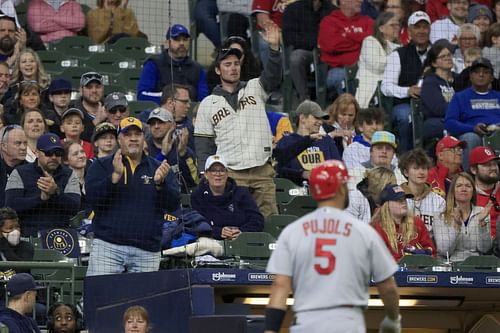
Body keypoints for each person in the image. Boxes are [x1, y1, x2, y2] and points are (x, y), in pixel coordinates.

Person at [264, 160, 401, 333]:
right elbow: (388, 287)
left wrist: (270, 330)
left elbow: (280, 286)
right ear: (342, 188)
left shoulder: (293, 231)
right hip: (347, 322)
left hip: (306, 321)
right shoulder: (363, 231)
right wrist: (393, 319)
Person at [194, 24, 282, 218]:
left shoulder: (255, 87)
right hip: (231, 173)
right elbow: (203, 145)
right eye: (227, 64)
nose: (233, 68)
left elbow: (274, 76)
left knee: (270, 221)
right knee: (236, 221)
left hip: (261, 169)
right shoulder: (208, 104)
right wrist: (203, 173)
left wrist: (274, 50)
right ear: (218, 70)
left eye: (236, 63)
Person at [85, 117, 180, 276]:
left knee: (144, 300)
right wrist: (114, 178)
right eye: (128, 134)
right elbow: (93, 200)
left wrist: (160, 185)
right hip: (108, 247)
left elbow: (173, 204)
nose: (133, 138)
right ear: (119, 139)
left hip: (147, 250)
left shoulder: (158, 168)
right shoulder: (101, 165)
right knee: (100, 297)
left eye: (138, 134)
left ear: (144, 138)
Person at [5, 132, 81, 237]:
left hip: (61, 235)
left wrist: (55, 192)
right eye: (49, 153)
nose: (54, 157)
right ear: (36, 153)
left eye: (58, 153)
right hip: (28, 236)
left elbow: (75, 207)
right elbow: (10, 206)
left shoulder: (69, 174)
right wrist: (40, 199)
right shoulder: (20, 172)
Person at [381, 10, 431, 153]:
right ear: (409, 30)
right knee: (406, 116)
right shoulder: (398, 55)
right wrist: (408, 91)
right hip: (404, 104)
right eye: (417, 27)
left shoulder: (437, 53)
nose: (421, 31)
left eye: (425, 27)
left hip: (431, 104)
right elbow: (386, 87)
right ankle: (405, 157)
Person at [191, 155, 264, 240]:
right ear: (206, 174)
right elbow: (196, 224)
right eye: (213, 170)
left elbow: (257, 220)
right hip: (211, 241)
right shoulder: (197, 196)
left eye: (221, 170)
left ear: (227, 174)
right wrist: (218, 232)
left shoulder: (242, 193)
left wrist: (242, 232)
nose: (217, 174)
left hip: (242, 241)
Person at [444, 57, 500, 170]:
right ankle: (468, 177)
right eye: (476, 72)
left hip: (497, 132)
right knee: (470, 138)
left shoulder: (498, 96)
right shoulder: (460, 97)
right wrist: (472, 128)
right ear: (470, 76)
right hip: (473, 134)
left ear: (492, 78)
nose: (481, 75)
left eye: (485, 72)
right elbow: (449, 122)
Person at [137, 24, 208, 104]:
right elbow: (142, 95)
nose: (182, 43)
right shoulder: (154, 64)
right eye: (177, 39)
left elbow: (203, 100)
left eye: (185, 39)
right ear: (167, 42)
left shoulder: (198, 69)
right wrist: (171, 99)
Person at [275, 100, 341, 185]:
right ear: (302, 118)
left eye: (321, 119)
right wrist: (303, 174)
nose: (321, 122)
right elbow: (278, 170)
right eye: (316, 117)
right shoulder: (286, 142)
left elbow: (338, 167)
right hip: (296, 193)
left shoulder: (326, 140)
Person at [282, 0, 335, 102]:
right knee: (296, 58)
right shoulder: (293, 9)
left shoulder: (332, 10)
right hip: (306, 51)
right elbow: (289, 38)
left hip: (328, 51)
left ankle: (330, 99)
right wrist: (314, 43)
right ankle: (304, 99)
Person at [318, 0, 373, 96]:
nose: (360, 1)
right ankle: (351, 109)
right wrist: (360, 40)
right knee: (344, 76)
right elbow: (331, 46)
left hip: (365, 69)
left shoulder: (368, 21)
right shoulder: (329, 21)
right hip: (338, 69)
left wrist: (346, 36)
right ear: (343, 1)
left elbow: (371, 42)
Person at [433, 172, 492, 262]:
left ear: (473, 191)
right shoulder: (441, 215)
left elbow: (485, 249)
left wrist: (482, 225)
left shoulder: (481, 213)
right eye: (459, 185)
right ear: (453, 191)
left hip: (476, 264)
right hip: (451, 265)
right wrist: (456, 226)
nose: (464, 189)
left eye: (468, 186)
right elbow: (444, 251)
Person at [371, 184, 436, 261]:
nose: (404, 202)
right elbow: (377, 258)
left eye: (404, 199)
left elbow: (431, 252)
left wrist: (421, 254)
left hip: (418, 270)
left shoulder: (417, 223)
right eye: (398, 200)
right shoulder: (377, 227)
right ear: (386, 205)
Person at [355, 11, 401, 108]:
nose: (397, 28)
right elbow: (377, 65)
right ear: (381, 28)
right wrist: (397, 56)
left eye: (398, 25)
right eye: (392, 25)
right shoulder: (370, 41)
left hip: (393, 92)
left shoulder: (400, 46)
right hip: (372, 92)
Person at [147, 108, 199, 190]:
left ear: (173, 125)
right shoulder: (145, 149)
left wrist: (183, 155)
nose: (156, 126)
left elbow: (194, 181)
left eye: (161, 122)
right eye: (152, 124)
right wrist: (163, 154)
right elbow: (147, 179)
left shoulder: (182, 148)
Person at [399, 149, 446, 234]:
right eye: (416, 168)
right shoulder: (396, 199)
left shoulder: (439, 201)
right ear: (406, 172)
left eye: (424, 168)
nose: (421, 172)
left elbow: (442, 236)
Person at [420, 43, 457, 146]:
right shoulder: (430, 82)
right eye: (442, 56)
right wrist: (460, 108)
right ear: (434, 63)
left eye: (449, 55)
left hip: (457, 118)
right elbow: (438, 109)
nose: (448, 58)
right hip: (437, 121)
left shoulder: (460, 79)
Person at [469, 146, 500, 238]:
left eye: (494, 163)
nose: (494, 168)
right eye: (487, 165)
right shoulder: (467, 195)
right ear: (474, 170)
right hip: (480, 246)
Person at [75, 72, 107, 142]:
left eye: (98, 87)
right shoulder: (73, 112)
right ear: (81, 90)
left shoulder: (111, 110)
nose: (94, 91)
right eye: (89, 87)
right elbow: (77, 139)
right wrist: (96, 121)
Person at [0, 124, 27, 206]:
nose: (23, 147)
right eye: (18, 143)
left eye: (25, 143)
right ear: (4, 146)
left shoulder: (32, 170)